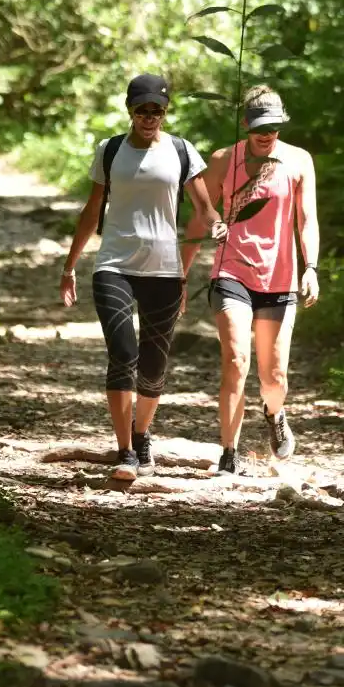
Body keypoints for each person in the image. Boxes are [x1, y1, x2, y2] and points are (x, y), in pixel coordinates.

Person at [59, 73, 226, 482]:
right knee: (123, 354)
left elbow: (204, 207)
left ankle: (141, 433)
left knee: (154, 365)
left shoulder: (183, 151)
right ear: (130, 110)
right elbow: (91, 209)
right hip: (114, 265)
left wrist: (218, 224)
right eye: (142, 109)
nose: (150, 116)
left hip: (164, 270)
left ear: (166, 111)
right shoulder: (111, 150)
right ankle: (125, 452)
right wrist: (69, 266)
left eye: (158, 110)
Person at [202, 84, 320, 474]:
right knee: (235, 360)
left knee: (274, 379)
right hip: (231, 269)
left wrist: (312, 268)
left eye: (274, 127)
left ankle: (275, 413)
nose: (267, 134)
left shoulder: (299, 160)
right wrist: (183, 268)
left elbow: (307, 220)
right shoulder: (224, 160)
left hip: (279, 276)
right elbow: (200, 211)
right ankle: (228, 453)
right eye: (259, 128)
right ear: (245, 124)